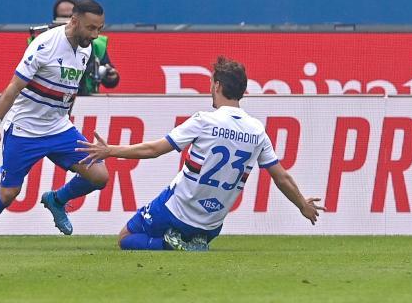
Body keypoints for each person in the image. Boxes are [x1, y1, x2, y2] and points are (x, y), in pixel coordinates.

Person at [76, 56, 325, 251]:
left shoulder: (204, 120)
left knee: (126, 238)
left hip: (176, 211)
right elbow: (281, 177)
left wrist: (110, 150)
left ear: (217, 85)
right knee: (189, 226)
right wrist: (302, 205)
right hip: (211, 226)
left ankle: (170, 244)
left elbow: (154, 150)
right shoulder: (257, 130)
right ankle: (191, 241)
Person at [0, 0, 110, 249]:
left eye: (100, 28)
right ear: (74, 21)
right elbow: (13, 88)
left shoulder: (86, 48)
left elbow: (70, 90)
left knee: (99, 176)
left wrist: (64, 118)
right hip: (25, 129)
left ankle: (56, 200)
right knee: (9, 193)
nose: (95, 35)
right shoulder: (45, 45)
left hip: (59, 127)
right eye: (91, 28)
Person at [53, 0, 120, 96]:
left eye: (70, 16)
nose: (68, 21)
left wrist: (111, 77)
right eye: (62, 17)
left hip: (87, 100)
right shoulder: (45, 43)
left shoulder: (97, 44)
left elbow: (109, 79)